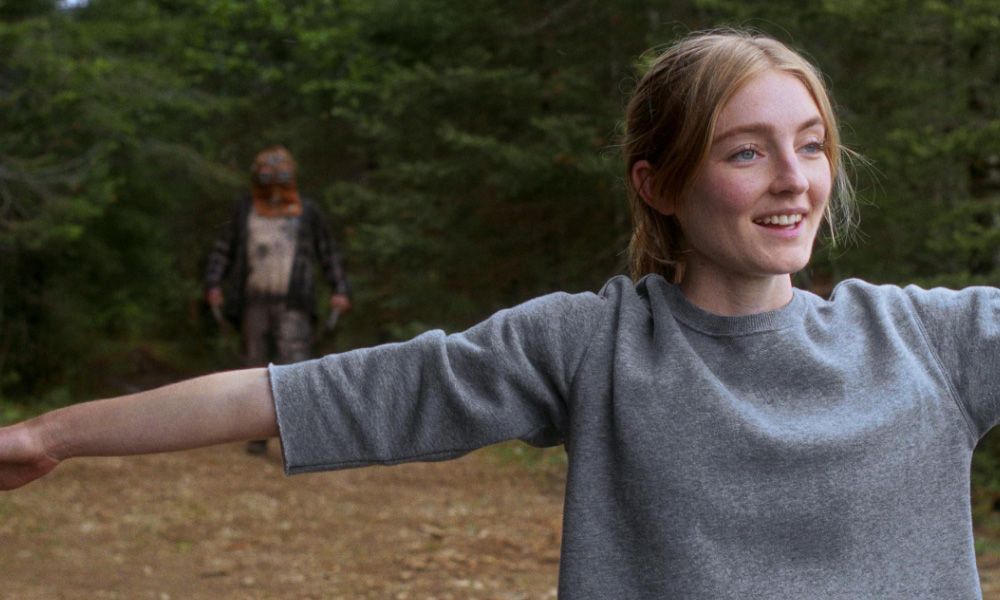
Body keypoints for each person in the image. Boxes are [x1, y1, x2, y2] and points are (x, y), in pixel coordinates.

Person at [0, 29, 996, 598]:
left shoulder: (931, 341)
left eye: (811, 145)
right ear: (657, 184)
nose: (794, 179)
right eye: (746, 151)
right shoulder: (591, 347)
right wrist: (50, 435)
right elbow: (304, 394)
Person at [203, 145, 352, 454]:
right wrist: (213, 283)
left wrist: (340, 288)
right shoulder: (245, 210)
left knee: (294, 366)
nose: (273, 184)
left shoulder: (306, 212)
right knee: (254, 368)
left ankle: (298, 439)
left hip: (293, 302)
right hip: (253, 301)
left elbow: (328, 253)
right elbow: (224, 249)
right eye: (266, 176)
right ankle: (256, 435)